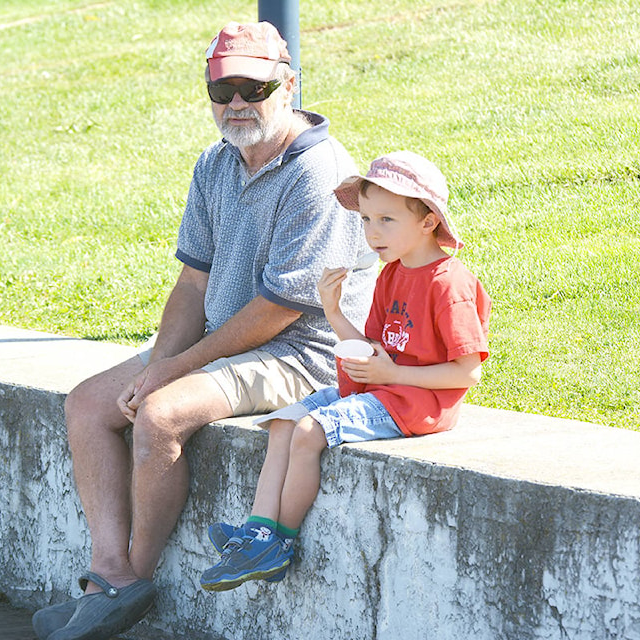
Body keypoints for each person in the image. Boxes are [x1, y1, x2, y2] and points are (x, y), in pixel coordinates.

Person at [32, 21, 375, 640]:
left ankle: (132, 579)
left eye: (253, 85)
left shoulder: (320, 172)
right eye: (223, 90)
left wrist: (170, 372)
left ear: (288, 83)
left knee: (159, 414)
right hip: (230, 340)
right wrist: (161, 359)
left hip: (304, 353)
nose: (237, 103)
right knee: (88, 403)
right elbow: (193, 284)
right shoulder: (217, 163)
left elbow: (278, 310)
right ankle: (107, 575)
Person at [198, 150, 492, 591]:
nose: (372, 233)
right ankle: (256, 533)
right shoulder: (392, 275)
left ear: (428, 221)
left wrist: (393, 376)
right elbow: (372, 348)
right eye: (367, 220)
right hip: (384, 391)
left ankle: (280, 542)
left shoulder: (448, 283)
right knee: (284, 421)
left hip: (415, 405)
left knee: (308, 431)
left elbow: (467, 373)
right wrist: (333, 311)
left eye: (386, 220)